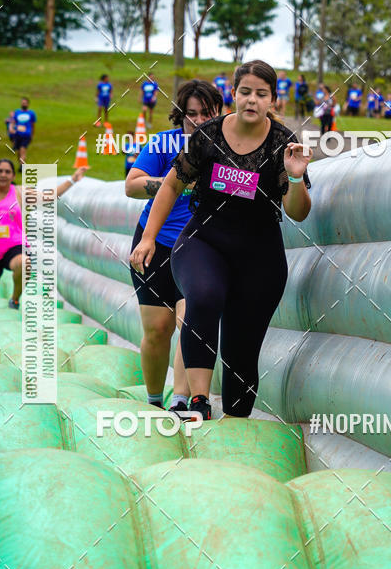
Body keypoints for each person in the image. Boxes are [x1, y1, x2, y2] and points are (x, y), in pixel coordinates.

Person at [130, 59, 312, 421]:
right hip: (203, 242)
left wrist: (294, 178)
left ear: (273, 100)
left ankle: (235, 414)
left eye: (261, 94)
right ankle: (197, 400)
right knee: (203, 296)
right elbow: (171, 186)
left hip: (259, 254)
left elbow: (299, 212)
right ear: (233, 94)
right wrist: (148, 238)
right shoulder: (208, 134)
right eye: (245, 92)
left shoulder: (283, 143)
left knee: (241, 354)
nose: (252, 100)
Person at [126, 80, 223, 415]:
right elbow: (131, 185)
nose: (198, 120)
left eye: (206, 113)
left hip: (198, 248)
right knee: (157, 331)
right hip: (154, 243)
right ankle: (154, 400)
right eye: (191, 114)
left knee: (189, 321)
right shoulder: (164, 143)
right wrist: (174, 182)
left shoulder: (226, 146)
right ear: (180, 115)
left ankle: (181, 401)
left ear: (218, 112)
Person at [0, 159, 85, 311]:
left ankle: (14, 300)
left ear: (13, 176)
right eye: (0, 171)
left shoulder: (20, 192)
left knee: (24, 263)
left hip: (13, 245)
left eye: (7, 172)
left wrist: (72, 180)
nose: (3, 175)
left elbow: (48, 197)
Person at [11, 98, 37, 166]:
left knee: (23, 149)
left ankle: (22, 166)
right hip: (18, 135)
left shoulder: (31, 113)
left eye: (25, 103)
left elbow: (33, 125)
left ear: (28, 104)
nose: (24, 104)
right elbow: (13, 122)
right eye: (23, 103)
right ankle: (21, 164)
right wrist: (11, 128)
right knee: (18, 152)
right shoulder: (17, 112)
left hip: (26, 135)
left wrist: (32, 135)